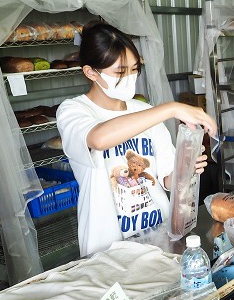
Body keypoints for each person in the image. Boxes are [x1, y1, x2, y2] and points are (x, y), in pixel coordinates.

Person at [57, 21, 217, 256]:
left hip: (159, 234)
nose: (130, 77)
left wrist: (186, 169)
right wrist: (171, 108)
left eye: (134, 69)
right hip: (107, 245)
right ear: (91, 72)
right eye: (120, 72)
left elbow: (166, 180)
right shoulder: (73, 111)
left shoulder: (144, 112)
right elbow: (98, 139)